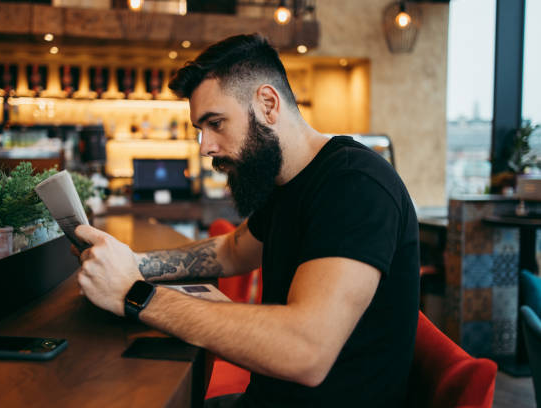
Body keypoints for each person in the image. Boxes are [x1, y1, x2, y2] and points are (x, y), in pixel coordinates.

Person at [74, 33, 420, 408]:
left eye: (216, 123)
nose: (204, 146)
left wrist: (134, 293)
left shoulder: (354, 185)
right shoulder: (287, 181)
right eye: (200, 130)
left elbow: (306, 351)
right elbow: (232, 249)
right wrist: (136, 264)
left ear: (268, 104)